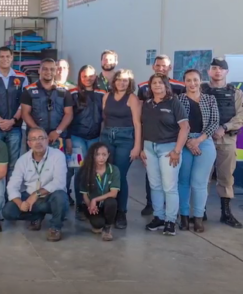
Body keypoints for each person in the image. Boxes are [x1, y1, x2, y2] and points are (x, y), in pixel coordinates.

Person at [140, 74, 190, 236]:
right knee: (155, 185)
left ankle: (170, 220)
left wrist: (177, 150)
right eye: (154, 83)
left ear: (166, 85)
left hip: (168, 149)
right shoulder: (147, 104)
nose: (157, 86)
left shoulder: (174, 102)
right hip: (149, 148)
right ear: (150, 86)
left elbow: (185, 128)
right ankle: (159, 217)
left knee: (169, 186)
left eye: (160, 83)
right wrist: (142, 148)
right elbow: (142, 126)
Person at [202, 57, 243, 229]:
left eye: (221, 68)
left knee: (226, 177)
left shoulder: (236, 93)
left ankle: (226, 213)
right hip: (204, 139)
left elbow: (241, 117)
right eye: (214, 68)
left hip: (227, 139)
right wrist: (208, 130)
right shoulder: (201, 90)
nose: (217, 71)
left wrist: (224, 127)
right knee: (202, 177)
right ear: (209, 71)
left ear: (226, 72)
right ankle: (201, 211)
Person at [3, 127, 68, 241]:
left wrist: (36, 194)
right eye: (33, 139)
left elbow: (59, 182)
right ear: (29, 143)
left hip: (49, 196)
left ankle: (55, 228)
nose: (38, 142)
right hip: (30, 197)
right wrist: (20, 204)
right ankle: (37, 216)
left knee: (61, 197)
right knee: (8, 212)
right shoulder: (23, 160)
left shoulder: (58, 155)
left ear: (47, 140)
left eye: (41, 138)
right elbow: (12, 185)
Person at [177, 69, 220, 232]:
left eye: (195, 80)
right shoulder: (178, 99)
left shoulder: (210, 99)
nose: (192, 83)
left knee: (200, 183)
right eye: (188, 80)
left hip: (205, 142)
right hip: (184, 142)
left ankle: (199, 217)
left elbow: (215, 122)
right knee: (184, 181)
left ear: (200, 81)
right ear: (184, 82)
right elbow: (175, 122)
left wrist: (198, 141)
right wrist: (188, 141)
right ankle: (184, 217)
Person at [100, 69, 143, 229]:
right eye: (119, 79)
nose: (121, 82)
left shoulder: (132, 98)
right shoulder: (106, 96)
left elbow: (137, 124)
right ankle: (107, 209)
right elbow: (104, 120)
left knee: (120, 175)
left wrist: (137, 146)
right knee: (107, 174)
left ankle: (121, 212)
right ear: (114, 81)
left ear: (129, 82)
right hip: (106, 137)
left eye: (125, 80)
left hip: (125, 138)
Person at [68, 65, 106, 219]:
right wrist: (68, 138)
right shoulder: (72, 93)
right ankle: (80, 205)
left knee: (95, 171)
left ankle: (94, 203)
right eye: (85, 76)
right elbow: (68, 116)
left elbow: (105, 116)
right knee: (79, 170)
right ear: (80, 77)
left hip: (95, 138)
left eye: (91, 76)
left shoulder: (102, 93)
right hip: (77, 138)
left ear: (95, 77)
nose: (88, 79)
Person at [0, 47, 29, 170]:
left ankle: (10, 189)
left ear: (12, 58)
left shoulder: (22, 77)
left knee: (13, 163)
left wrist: (12, 120)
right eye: (2, 56)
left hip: (15, 127)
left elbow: (24, 103)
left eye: (8, 56)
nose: (5, 59)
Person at [78, 142, 120, 241]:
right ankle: (99, 222)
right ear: (93, 155)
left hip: (105, 202)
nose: (101, 158)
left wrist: (95, 200)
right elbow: (84, 194)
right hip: (92, 205)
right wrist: (91, 206)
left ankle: (108, 228)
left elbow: (114, 193)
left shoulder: (113, 170)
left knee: (111, 202)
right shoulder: (86, 170)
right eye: (98, 154)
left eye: (104, 155)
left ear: (108, 155)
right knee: (97, 224)